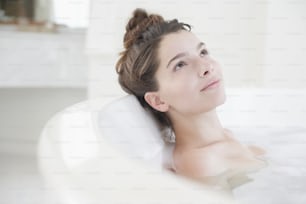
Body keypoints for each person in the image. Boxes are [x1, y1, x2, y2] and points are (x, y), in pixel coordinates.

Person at [115, 8, 267, 194]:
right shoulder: (200, 163)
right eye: (180, 64)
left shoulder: (226, 137)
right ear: (157, 100)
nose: (206, 67)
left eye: (203, 52)